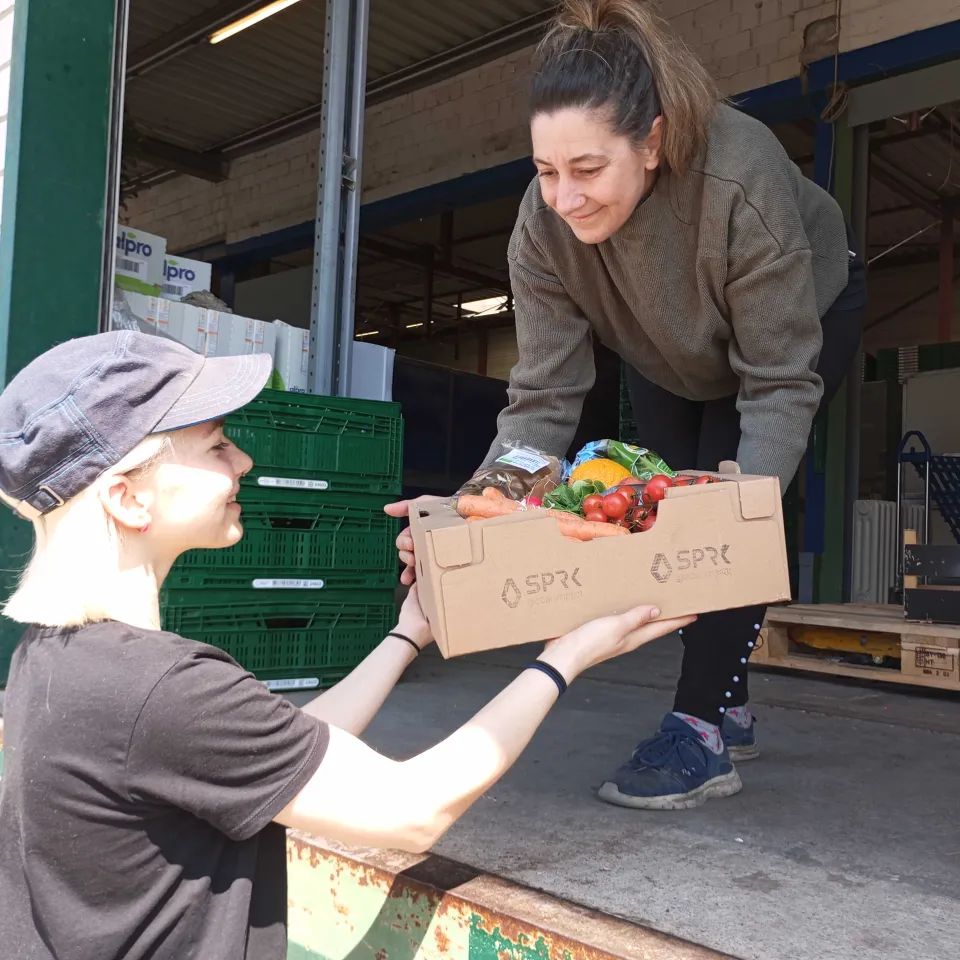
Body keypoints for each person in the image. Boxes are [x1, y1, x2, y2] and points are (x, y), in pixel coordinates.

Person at [0, 331, 691, 960]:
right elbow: (408, 811)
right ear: (127, 499)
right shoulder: (161, 689)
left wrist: (410, 628)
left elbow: (285, 745)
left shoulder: (58, 657)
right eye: (215, 445)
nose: (243, 457)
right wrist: (566, 656)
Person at [387, 0, 867, 811]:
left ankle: (701, 729)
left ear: (650, 143)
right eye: (545, 171)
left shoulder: (738, 184)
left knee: (723, 503)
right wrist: (478, 511)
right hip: (663, 344)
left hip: (800, 320)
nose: (564, 198)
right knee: (651, 507)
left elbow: (778, 385)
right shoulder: (541, 230)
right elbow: (542, 400)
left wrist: (742, 503)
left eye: (587, 169)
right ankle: (730, 690)